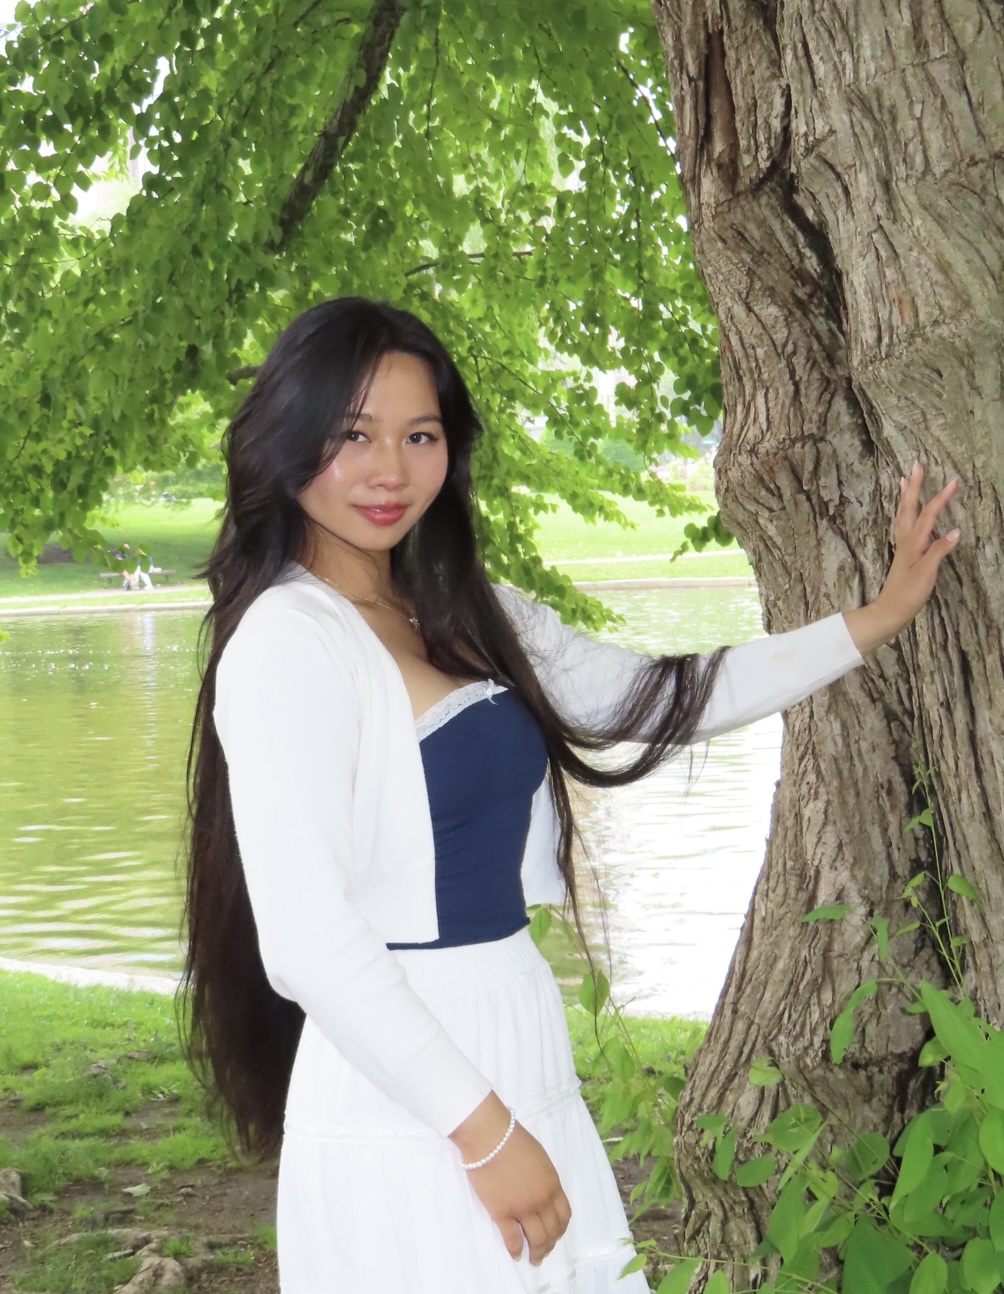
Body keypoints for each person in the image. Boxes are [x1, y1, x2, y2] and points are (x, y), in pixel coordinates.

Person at [181, 297, 961, 1294]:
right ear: (287, 442)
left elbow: (655, 696)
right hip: (409, 1078)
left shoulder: (463, 607)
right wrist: (481, 1130)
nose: (388, 469)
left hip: (510, 1026)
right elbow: (306, 940)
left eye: (418, 435)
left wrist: (872, 618)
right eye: (349, 435)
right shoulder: (290, 641)